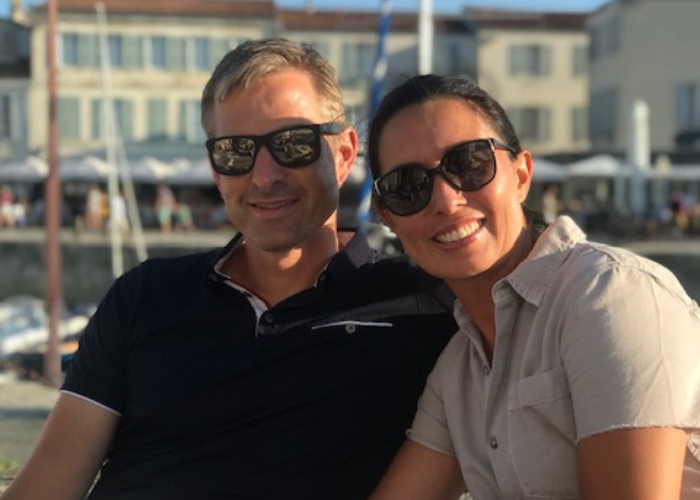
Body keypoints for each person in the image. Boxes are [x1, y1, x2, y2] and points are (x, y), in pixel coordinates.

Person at [1, 40, 456, 500]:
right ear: (216, 171)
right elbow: (46, 488)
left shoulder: (421, 311)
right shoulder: (145, 296)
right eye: (235, 152)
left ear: (342, 154)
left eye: (292, 145)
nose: (263, 176)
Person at [365, 74, 700, 500]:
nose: (446, 200)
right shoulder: (460, 370)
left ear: (521, 175)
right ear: (388, 217)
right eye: (407, 187)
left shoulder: (609, 296)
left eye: (469, 164)